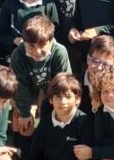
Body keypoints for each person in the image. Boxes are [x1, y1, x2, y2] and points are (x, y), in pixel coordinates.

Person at [8, 15, 71, 147]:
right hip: (27, 87)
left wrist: (56, 107)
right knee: (20, 114)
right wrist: (25, 113)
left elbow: (63, 83)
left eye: (42, 45)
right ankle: (22, 150)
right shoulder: (17, 55)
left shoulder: (60, 52)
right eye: (31, 46)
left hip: (50, 87)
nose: (37, 51)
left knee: (50, 113)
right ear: (23, 42)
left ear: (51, 40)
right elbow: (20, 88)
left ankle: (48, 145)